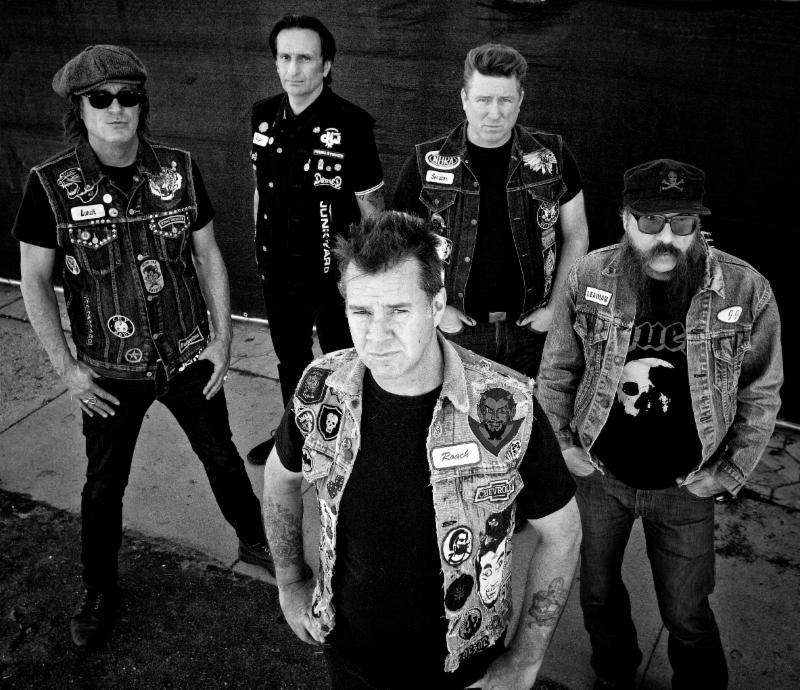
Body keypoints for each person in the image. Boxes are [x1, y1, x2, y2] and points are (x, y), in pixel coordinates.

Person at [12, 45, 274, 650]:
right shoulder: (50, 185)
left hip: (187, 356)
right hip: (107, 371)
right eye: (100, 98)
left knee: (223, 459)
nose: (116, 108)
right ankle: (98, 588)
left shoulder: (178, 169)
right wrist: (66, 369)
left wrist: (223, 340)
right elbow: (33, 280)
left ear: (141, 103)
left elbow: (208, 255)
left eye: (128, 96)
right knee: (104, 485)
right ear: (79, 109)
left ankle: (257, 541)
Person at [262, 211, 582, 689]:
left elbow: (563, 533)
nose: (377, 335)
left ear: (436, 306)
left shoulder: (505, 407)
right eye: (361, 312)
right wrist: (289, 581)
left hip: (466, 669)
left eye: (399, 311)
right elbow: (279, 479)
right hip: (349, 656)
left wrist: (525, 659)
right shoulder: (321, 388)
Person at [536, 159, 783, 690]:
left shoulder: (745, 289)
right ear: (626, 219)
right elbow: (556, 371)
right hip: (599, 479)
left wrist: (728, 472)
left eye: (682, 221)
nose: (666, 237)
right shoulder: (589, 277)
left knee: (687, 612)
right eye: (650, 221)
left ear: (699, 224)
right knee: (597, 595)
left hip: (686, 488)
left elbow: (761, 393)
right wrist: (564, 447)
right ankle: (613, 674)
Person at [393, 42, 588, 378]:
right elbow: (400, 244)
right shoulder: (426, 162)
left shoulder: (552, 155)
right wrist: (435, 308)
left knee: (535, 411)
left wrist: (556, 309)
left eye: (505, 100)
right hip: (455, 332)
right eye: (483, 99)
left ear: (520, 100)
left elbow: (577, 233)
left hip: (535, 331)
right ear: (464, 99)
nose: (495, 113)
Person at [247, 14, 385, 464]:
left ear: (326, 65)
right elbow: (260, 188)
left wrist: (366, 276)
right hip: (277, 269)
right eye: (284, 57)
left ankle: (348, 443)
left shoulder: (352, 123)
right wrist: (257, 244)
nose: (293, 69)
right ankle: (296, 435)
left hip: (333, 275)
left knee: (344, 361)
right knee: (290, 359)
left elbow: (371, 208)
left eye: (305, 58)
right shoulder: (263, 115)